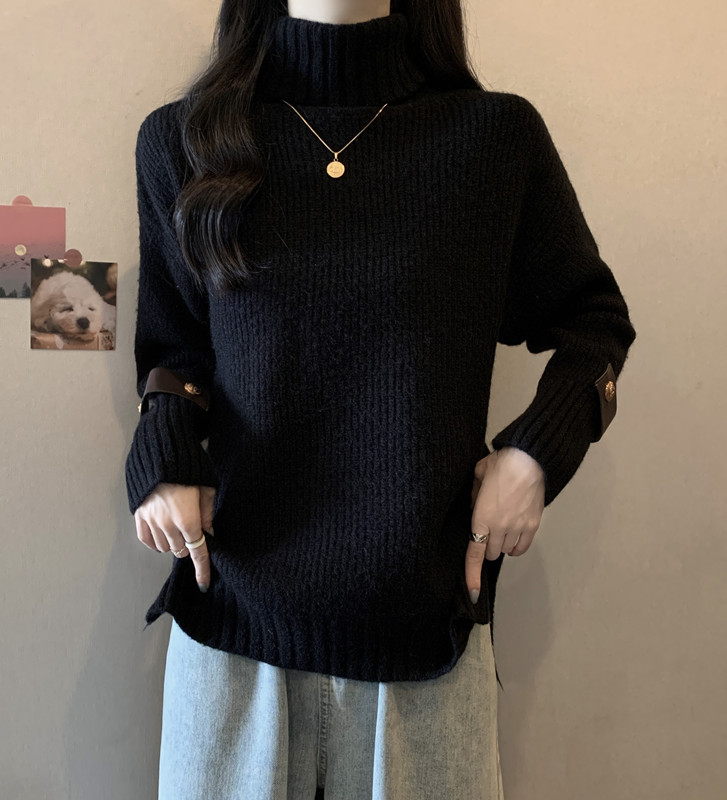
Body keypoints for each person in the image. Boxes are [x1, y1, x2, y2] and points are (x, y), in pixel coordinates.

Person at [125, 0, 637, 797]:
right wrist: (165, 457)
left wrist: (535, 456)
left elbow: (593, 325)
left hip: (422, 630)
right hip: (233, 621)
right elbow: (174, 347)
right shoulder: (184, 140)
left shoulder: (492, 141)